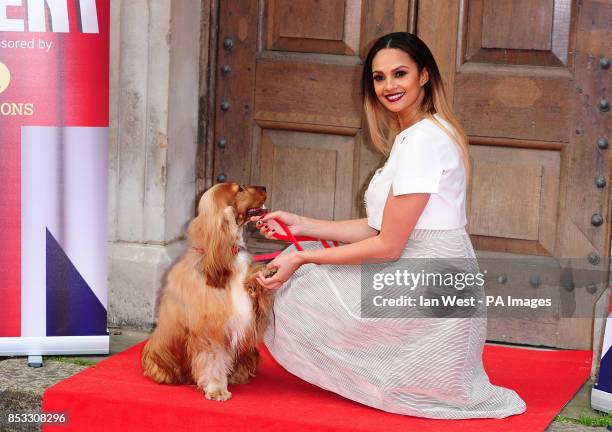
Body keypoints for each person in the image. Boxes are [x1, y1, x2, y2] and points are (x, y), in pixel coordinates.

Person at [251, 32, 526, 419]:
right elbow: (382, 229)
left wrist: (302, 260)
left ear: (424, 76)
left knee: (300, 275)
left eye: (400, 74)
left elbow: (388, 246)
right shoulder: (422, 132)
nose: (389, 86)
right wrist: (302, 225)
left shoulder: (422, 141)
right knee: (303, 256)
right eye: (379, 78)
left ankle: (374, 370)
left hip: (427, 280)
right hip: (432, 272)